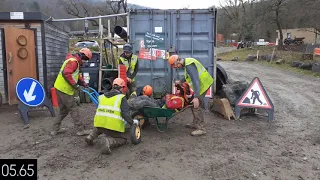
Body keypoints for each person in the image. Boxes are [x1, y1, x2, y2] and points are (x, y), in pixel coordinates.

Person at [85, 78, 139, 154]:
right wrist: (133, 123)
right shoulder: (121, 98)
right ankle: (109, 142)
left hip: (100, 124)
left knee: (99, 128)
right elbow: (126, 115)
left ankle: (91, 136)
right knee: (123, 139)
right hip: (113, 128)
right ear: (122, 88)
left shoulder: (102, 97)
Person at [168, 54, 214, 136]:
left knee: (196, 105)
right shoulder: (187, 64)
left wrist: (196, 97)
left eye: (176, 66)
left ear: (178, 61)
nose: (177, 67)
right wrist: (180, 81)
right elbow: (188, 76)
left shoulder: (189, 65)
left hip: (203, 84)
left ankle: (201, 128)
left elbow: (196, 81)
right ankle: (195, 123)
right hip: (202, 84)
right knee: (193, 103)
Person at [51, 48, 93, 136]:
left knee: (63, 110)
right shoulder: (73, 62)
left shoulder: (73, 61)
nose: (86, 62)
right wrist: (76, 86)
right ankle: (80, 129)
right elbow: (66, 73)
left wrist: (83, 83)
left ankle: (54, 130)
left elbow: (76, 75)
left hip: (59, 87)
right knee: (74, 109)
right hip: (65, 89)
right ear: (82, 56)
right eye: (86, 60)